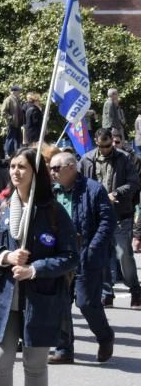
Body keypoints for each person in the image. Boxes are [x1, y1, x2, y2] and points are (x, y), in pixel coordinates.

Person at [0, 148, 78, 386]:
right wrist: (6, 256)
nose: (15, 172)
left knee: (34, 365)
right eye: (12, 166)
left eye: (22, 167)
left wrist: (34, 269)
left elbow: (70, 256)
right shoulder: (0, 207)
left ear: (35, 172)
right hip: (3, 297)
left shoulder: (53, 211)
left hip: (40, 300)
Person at [49, 150, 116, 364]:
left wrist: (93, 249)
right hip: (60, 256)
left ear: (71, 168)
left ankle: (105, 337)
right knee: (60, 302)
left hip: (86, 255)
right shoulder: (51, 191)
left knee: (86, 302)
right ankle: (64, 349)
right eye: (50, 168)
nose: (52, 172)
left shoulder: (93, 189)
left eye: (56, 168)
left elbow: (107, 222)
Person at [78, 127, 141, 308]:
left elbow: (134, 182)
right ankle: (107, 292)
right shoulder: (87, 159)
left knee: (124, 255)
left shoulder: (124, 158)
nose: (105, 150)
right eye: (102, 146)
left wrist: (116, 194)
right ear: (96, 143)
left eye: (108, 146)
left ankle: (135, 291)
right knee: (101, 256)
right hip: (97, 216)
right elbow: (80, 184)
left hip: (121, 214)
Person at [2, 86, 24, 157]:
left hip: (18, 124)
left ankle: (17, 153)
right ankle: (8, 154)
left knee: (18, 139)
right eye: (18, 91)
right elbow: (3, 112)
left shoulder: (17, 100)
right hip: (12, 123)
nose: (19, 93)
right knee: (10, 139)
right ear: (14, 91)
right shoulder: (8, 99)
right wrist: (10, 118)